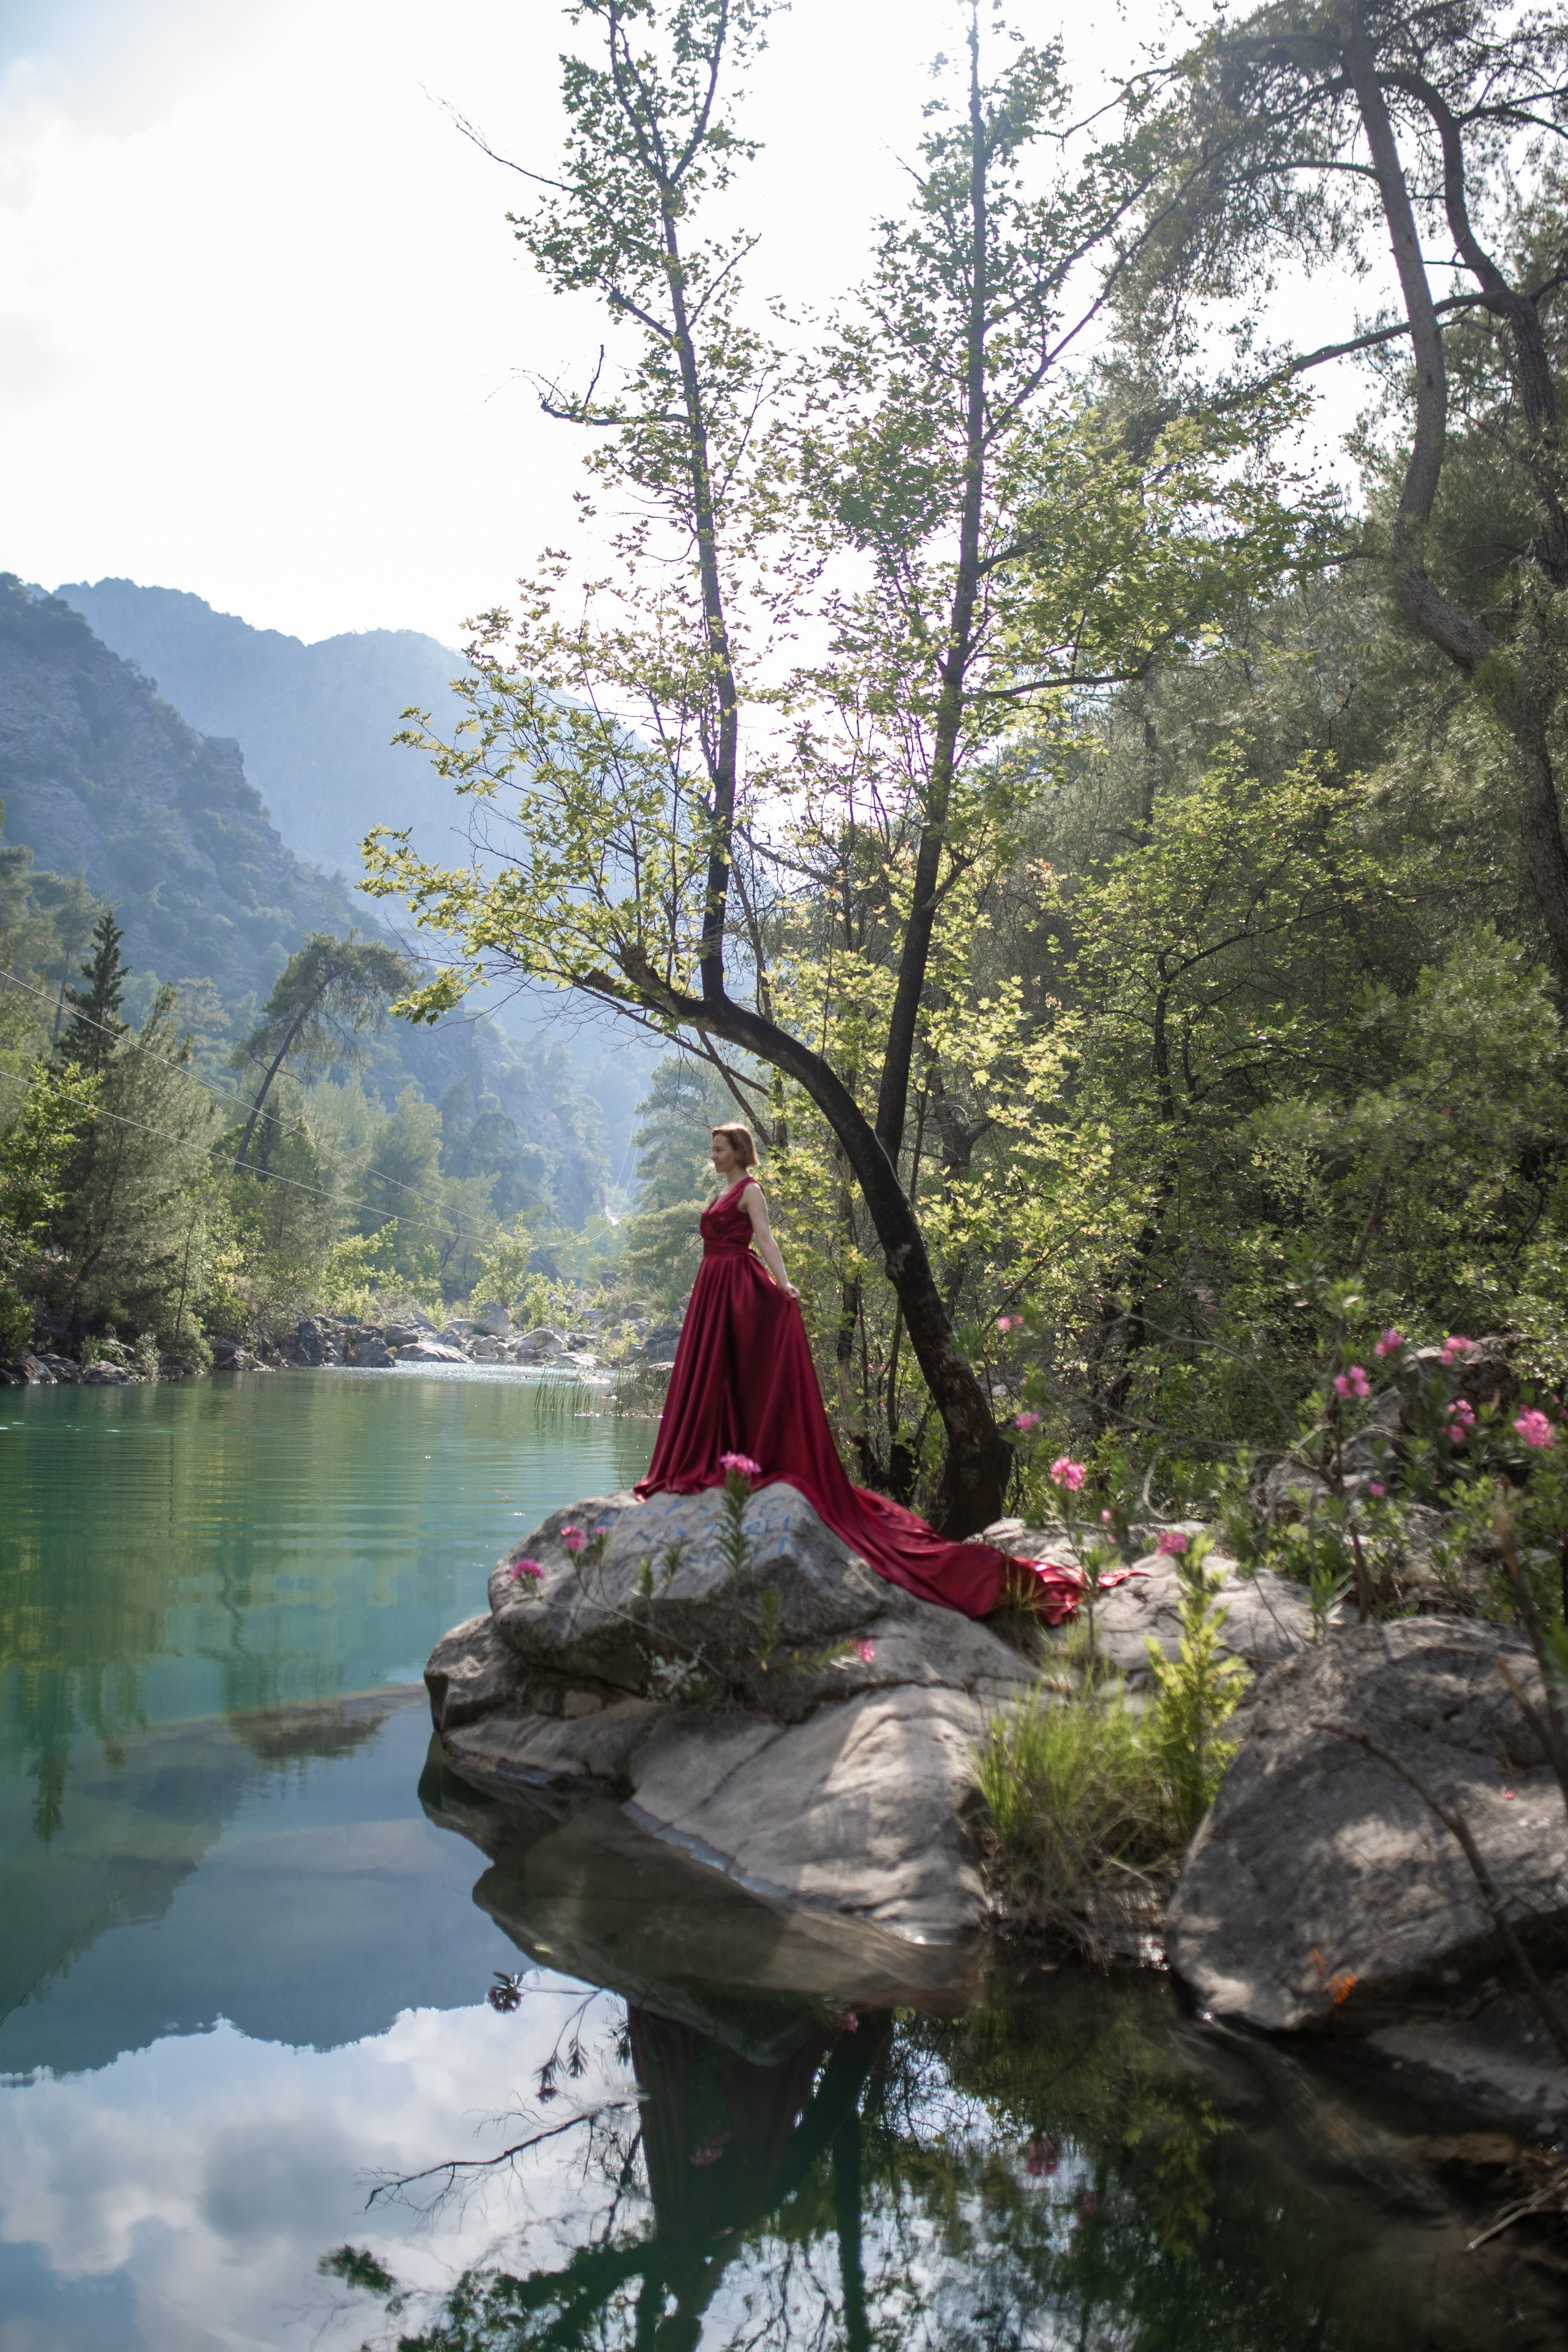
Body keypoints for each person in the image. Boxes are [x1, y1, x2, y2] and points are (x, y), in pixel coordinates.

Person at [635, 1123, 1083, 1621]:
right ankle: (709, 1451)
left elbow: (765, 1239)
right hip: (711, 1289)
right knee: (712, 1376)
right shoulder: (722, 1189)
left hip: (737, 1289)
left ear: (739, 1151)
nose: (712, 1156)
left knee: (737, 1373)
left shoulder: (751, 1191)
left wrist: (785, 1288)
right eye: (712, 1149)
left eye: (718, 1149)